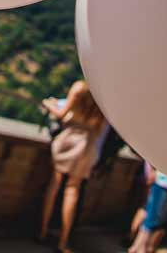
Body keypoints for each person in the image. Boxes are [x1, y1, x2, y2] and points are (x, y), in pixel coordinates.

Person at [38, 80, 108, 253]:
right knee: (73, 190)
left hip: (70, 138)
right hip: (89, 144)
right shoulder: (106, 95)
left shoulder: (80, 87)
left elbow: (62, 114)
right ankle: (63, 241)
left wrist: (48, 104)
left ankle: (42, 231)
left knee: (54, 184)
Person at [128, 169, 167, 253]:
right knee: (152, 218)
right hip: (164, 182)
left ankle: (138, 248)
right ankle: (139, 247)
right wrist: (151, 170)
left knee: (159, 220)